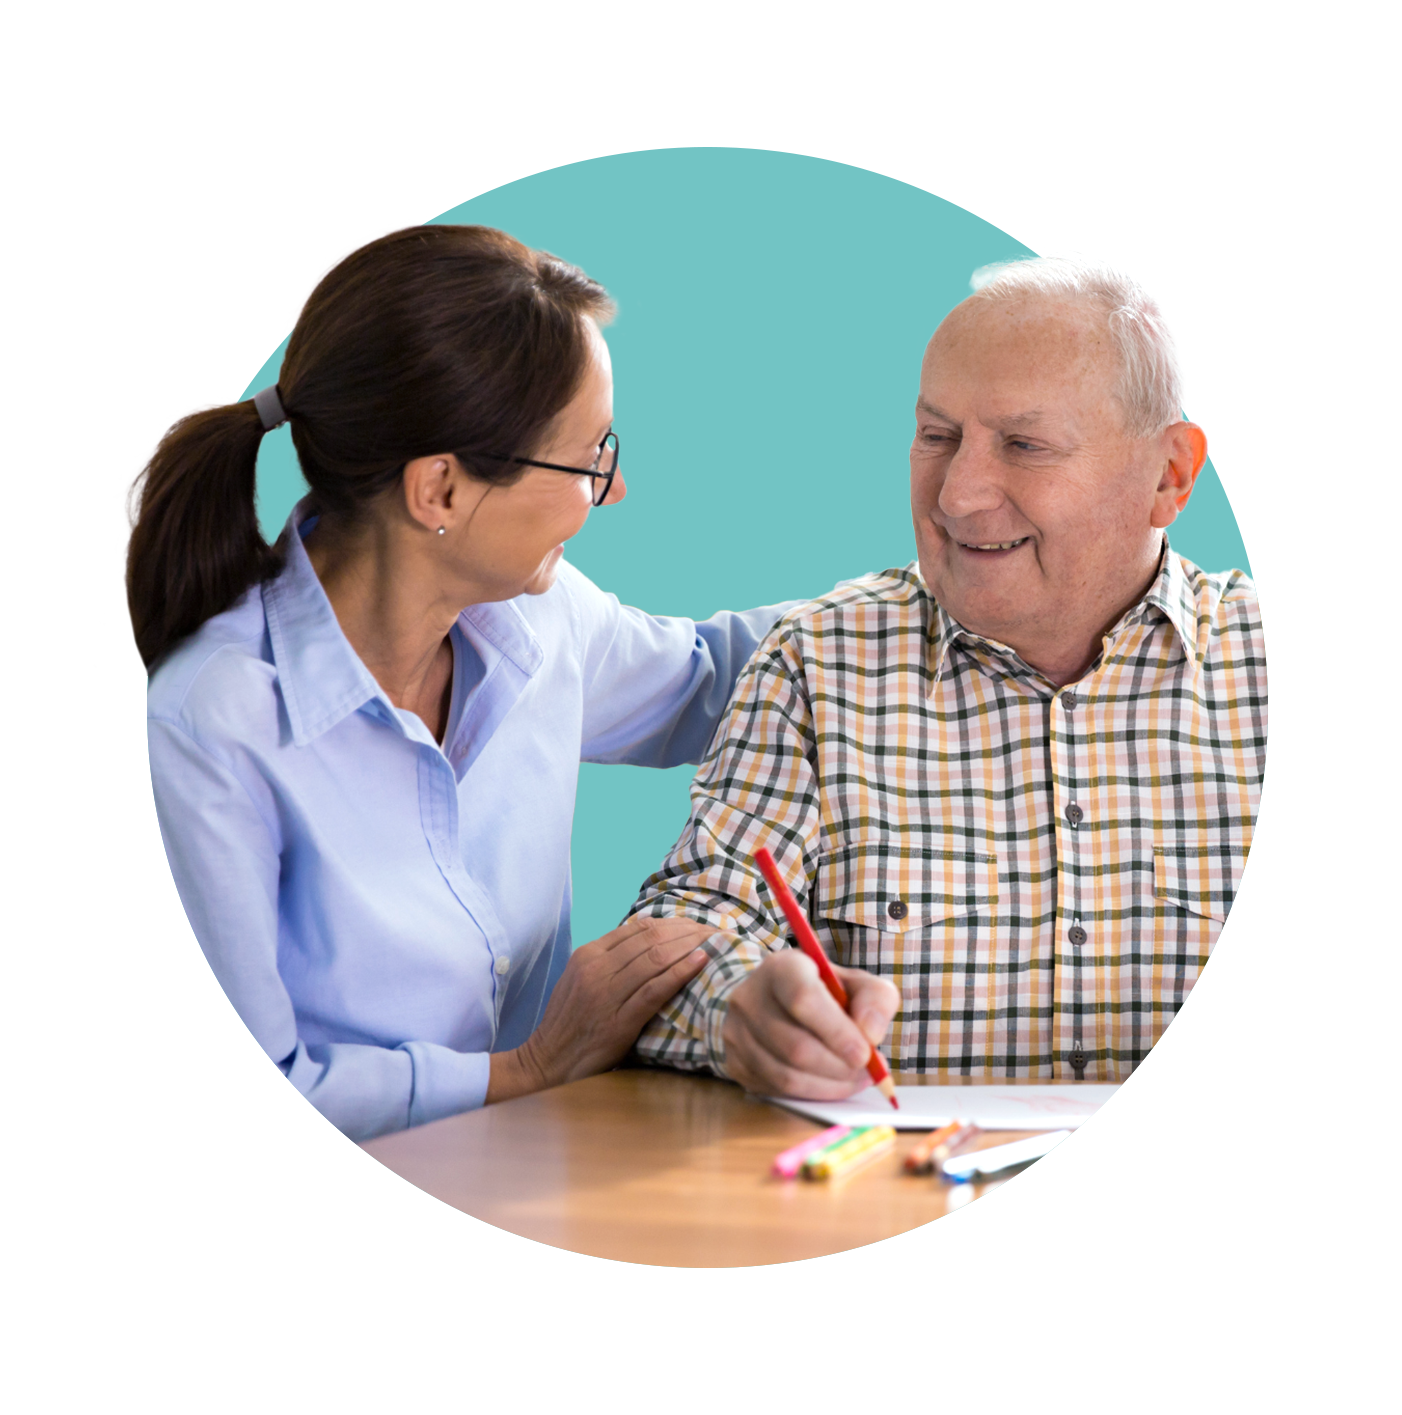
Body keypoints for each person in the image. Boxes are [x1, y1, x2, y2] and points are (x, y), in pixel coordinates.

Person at [128, 223, 793, 1141]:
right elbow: (248, 1090)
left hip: (531, 1175)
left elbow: (711, 681)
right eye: (589, 459)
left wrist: (929, 592)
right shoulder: (210, 724)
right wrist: (531, 1068)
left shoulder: (535, 619)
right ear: (438, 491)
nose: (615, 488)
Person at [629, 246, 1267, 1100]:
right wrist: (738, 1008)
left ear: (1168, 475)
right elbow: (680, 938)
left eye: (1024, 445)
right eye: (937, 436)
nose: (958, 494)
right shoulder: (818, 662)